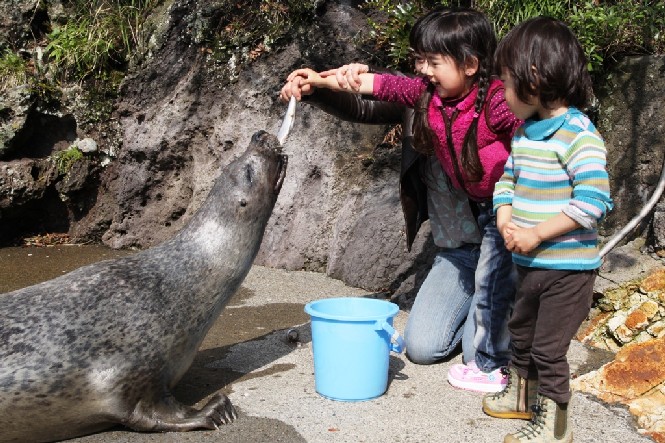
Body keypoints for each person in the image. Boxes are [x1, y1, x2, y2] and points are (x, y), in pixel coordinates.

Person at [282, 7, 522, 393]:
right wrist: (322, 83)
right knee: (421, 348)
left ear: (472, 64)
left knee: (478, 356)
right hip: (460, 247)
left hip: (504, 226)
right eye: (419, 60)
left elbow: (537, 127)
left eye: (433, 61)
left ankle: (505, 307)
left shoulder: (497, 100)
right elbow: (379, 89)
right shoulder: (425, 95)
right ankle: (489, 304)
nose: (423, 69)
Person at [483, 17, 614, 443]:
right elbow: (507, 181)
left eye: (506, 84)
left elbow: (593, 201)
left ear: (534, 78)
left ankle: (555, 428)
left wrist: (537, 233)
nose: (502, 95)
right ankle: (522, 398)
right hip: (530, 265)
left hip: (568, 271)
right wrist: (505, 217)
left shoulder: (579, 136)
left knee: (548, 350)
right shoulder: (525, 135)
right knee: (520, 333)